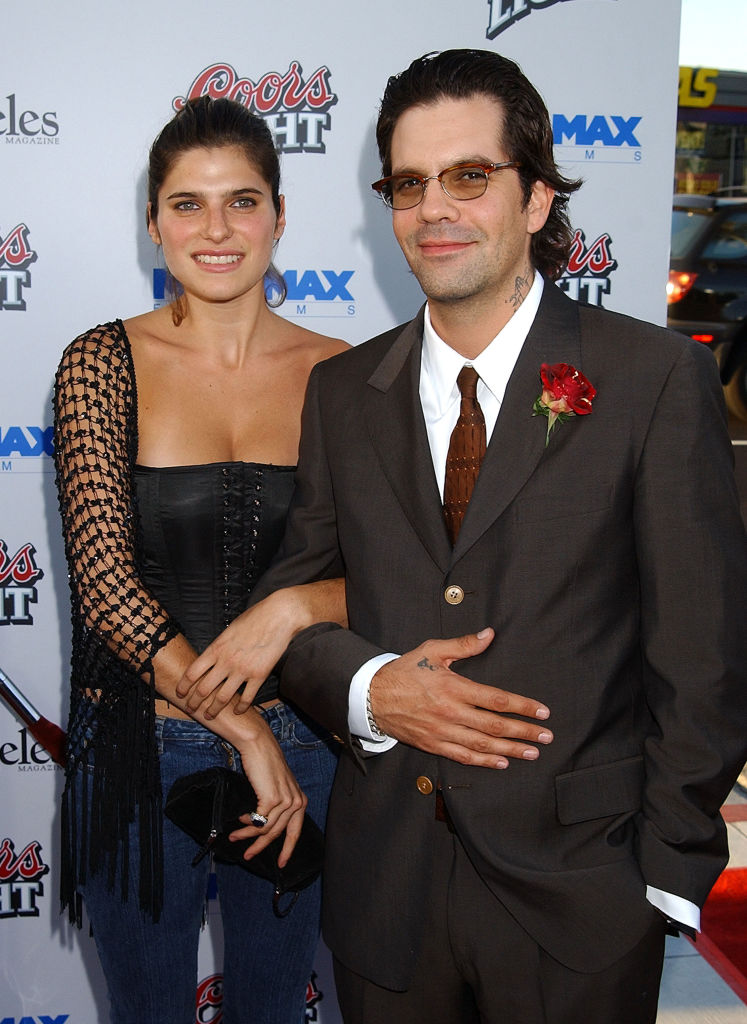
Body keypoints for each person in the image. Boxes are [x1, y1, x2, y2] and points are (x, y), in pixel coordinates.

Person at [240, 49, 747, 1024]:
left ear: (537, 197)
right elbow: (297, 614)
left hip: (585, 903)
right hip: (387, 897)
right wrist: (372, 688)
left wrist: (661, 875)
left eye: (468, 176)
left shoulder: (651, 379)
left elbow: (705, 652)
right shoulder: (342, 394)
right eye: (409, 184)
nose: (434, 208)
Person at [53, 96, 350, 1024]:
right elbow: (105, 588)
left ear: (279, 214)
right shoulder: (100, 363)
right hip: (137, 750)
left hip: (307, 743)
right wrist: (244, 730)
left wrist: (296, 608)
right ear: (154, 223)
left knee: (274, 1009)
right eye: (187, 204)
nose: (216, 230)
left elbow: (401, 573)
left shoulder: (345, 374)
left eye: (242, 201)